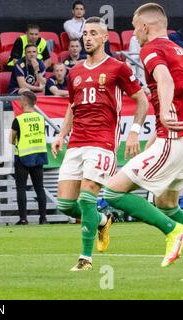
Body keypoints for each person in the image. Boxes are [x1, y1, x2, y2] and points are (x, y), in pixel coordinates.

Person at [51, 17, 149, 271]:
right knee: (64, 205)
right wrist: (62, 135)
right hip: (76, 143)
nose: (88, 37)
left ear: (105, 38)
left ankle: (86, 259)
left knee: (86, 198)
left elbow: (141, 100)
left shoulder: (118, 68)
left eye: (94, 33)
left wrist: (135, 132)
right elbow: (72, 107)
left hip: (102, 142)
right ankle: (103, 219)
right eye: (85, 33)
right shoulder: (75, 72)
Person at [104, 3, 183, 268]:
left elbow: (166, 81)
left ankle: (173, 231)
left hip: (174, 137)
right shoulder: (178, 49)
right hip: (174, 137)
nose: (133, 35)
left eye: (135, 28)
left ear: (146, 27)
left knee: (113, 192)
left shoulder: (152, 49)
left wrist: (163, 119)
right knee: (165, 201)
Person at [10, 90, 48, 225]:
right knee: (40, 188)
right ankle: (43, 218)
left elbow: (11, 139)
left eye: (21, 100)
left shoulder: (18, 120)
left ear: (25, 102)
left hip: (23, 157)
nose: (20, 102)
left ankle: (23, 218)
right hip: (38, 156)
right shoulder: (41, 118)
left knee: (21, 188)